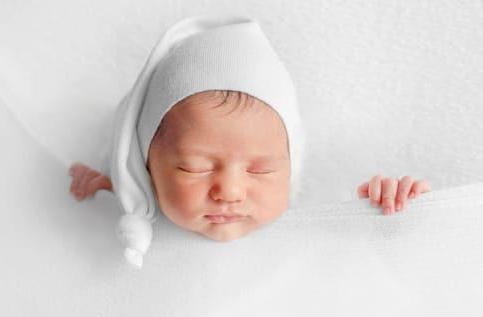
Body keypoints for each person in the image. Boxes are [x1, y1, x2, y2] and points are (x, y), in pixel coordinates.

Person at [67, 15, 431, 267]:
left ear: (291, 166)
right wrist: (106, 189)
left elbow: (372, 281)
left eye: (260, 169)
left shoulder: (311, 215)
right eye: (196, 167)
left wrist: (388, 210)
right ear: (145, 166)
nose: (229, 191)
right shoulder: (138, 224)